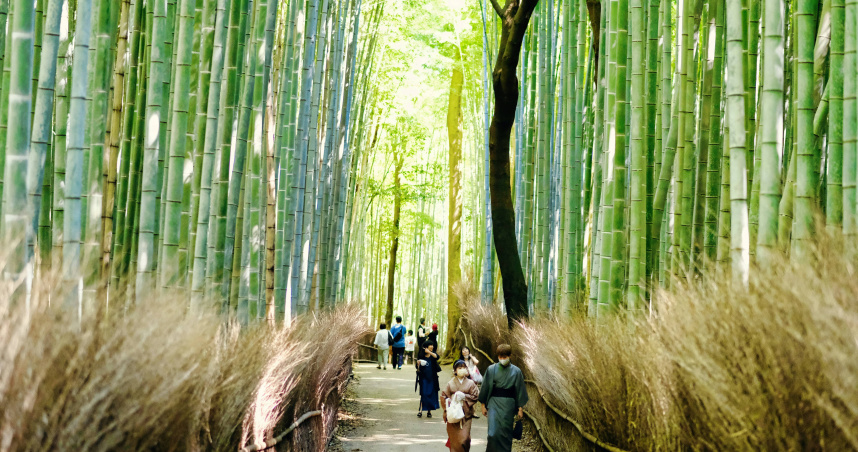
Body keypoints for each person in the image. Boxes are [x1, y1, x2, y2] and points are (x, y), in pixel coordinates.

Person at [478, 344, 529, 452]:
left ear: (510, 356)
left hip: (508, 405)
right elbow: (485, 387)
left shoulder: (516, 371)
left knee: (506, 433)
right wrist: (483, 405)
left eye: (504, 357)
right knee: (493, 433)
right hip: (493, 402)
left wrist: (520, 408)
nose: (502, 359)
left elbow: (520, 390)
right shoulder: (491, 369)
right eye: (500, 357)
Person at [441, 360, 480, 452]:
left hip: (466, 416)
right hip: (453, 416)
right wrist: (451, 400)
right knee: (455, 440)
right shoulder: (450, 383)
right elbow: (443, 396)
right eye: (459, 368)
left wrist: (464, 396)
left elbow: (475, 396)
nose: (462, 369)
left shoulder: (470, 383)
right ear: (455, 370)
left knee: (464, 438)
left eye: (464, 367)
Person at [415, 341, 441, 418]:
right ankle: (420, 410)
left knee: (431, 394)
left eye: (432, 345)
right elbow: (417, 367)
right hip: (424, 378)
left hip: (432, 378)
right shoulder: (421, 355)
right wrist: (418, 364)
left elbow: (437, 357)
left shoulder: (433, 355)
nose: (432, 346)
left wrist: (430, 352)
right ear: (425, 346)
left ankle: (429, 411)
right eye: (430, 345)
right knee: (424, 394)